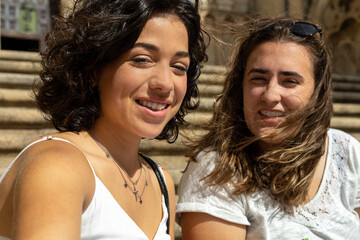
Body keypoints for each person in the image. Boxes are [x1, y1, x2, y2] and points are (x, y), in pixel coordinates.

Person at [0, 0, 207, 239]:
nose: (165, 83)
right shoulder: (58, 165)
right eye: (141, 59)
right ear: (93, 70)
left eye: (179, 66)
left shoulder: (161, 181)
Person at [176, 17, 360, 240]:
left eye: (290, 81)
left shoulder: (346, 153)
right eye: (258, 78)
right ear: (240, 85)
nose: (271, 95)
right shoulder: (216, 171)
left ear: (317, 92)